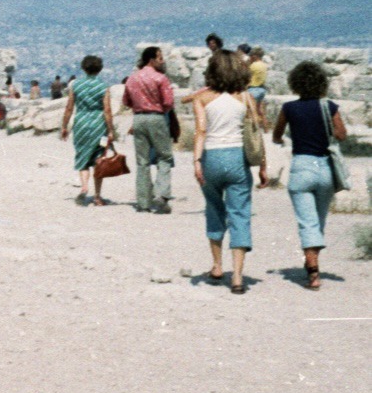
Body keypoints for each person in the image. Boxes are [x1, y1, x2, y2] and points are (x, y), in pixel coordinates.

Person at [192, 50, 265, 294]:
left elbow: (201, 131)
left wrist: (196, 161)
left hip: (211, 156)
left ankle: (216, 265)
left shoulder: (202, 99)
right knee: (239, 213)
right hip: (237, 158)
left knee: (213, 209)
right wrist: (263, 166)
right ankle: (237, 277)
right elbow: (256, 133)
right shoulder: (246, 98)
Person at [272, 61, 348, 291]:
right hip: (325, 167)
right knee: (319, 219)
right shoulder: (330, 107)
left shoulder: (289, 108)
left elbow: (277, 135)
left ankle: (313, 272)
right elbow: (342, 134)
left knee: (307, 221)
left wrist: (282, 139)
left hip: (301, 166)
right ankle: (312, 261)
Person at [123, 46, 176, 214]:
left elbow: (126, 101)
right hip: (156, 117)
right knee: (164, 157)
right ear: (151, 60)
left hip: (138, 118)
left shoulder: (132, 78)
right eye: (160, 58)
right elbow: (168, 102)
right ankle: (162, 195)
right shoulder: (161, 78)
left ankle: (143, 201)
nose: (163, 61)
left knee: (142, 161)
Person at [60, 55, 116, 206]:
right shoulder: (103, 86)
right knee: (99, 159)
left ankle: (84, 187)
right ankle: (97, 196)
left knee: (83, 156)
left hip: (81, 123)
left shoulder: (76, 85)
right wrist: (111, 130)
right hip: (99, 125)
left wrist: (64, 126)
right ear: (100, 69)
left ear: (84, 68)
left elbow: (69, 108)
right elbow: (107, 110)